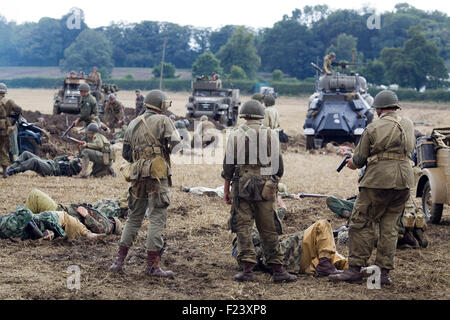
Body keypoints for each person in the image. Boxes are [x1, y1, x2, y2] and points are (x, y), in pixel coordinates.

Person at [329, 90, 415, 286]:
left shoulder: (373, 127)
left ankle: (355, 269)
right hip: (404, 181)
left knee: (361, 221)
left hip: (378, 181)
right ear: (395, 107)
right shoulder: (408, 124)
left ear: (378, 108)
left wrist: (351, 162)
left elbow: (358, 160)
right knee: (390, 227)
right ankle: (383, 273)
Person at [222, 100, 297, 283]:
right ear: (261, 115)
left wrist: (227, 188)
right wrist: (274, 181)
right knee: (268, 227)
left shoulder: (234, 135)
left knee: (243, 226)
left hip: (242, 184)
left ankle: (247, 269)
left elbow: (228, 165)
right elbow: (278, 166)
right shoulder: (271, 134)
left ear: (244, 116)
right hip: (265, 185)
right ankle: (278, 269)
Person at [109, 90, 181, 278]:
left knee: (133, 218)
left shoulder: (133, 123)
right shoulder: (164, 121)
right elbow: (177, 147)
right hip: (157, 176)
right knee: (157, 218)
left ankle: (119, 261)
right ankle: (152, 266)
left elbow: (125, 154)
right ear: (161, 105)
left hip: (138, 175)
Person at [24, 189, 124, 236]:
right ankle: (26, 223)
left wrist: (86, 215)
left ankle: (22, 222)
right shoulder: (104, 221)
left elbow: (102, 230)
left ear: (113, 223)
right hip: (62, 215)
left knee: (35, 195)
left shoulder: (108, 225)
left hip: (60, 213)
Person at [0, 205, 105, 241]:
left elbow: (25, 212)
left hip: (54, 219)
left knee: (86, 234)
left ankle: (94, 235)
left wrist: (39, 235)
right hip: (52, 225)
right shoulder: (3, 232)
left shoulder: (6, 225)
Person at [0, 83, 22, 178]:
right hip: (4, 129)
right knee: (4, 149)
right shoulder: (9, 101)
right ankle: (5, 173)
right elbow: (19, 109)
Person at [6, 151, 81, 177]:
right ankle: (11, 168)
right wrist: (66, 157)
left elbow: (73, 166)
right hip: (49, 163)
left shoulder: (76, 165)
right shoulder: (71, 161)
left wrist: (73, 159)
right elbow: (56, 159)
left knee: (34, 161)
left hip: (51, 170)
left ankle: (13, 171)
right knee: (26, 153)